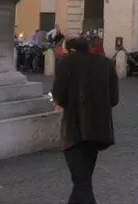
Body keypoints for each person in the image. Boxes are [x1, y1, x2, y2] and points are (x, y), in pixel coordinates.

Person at [52, 36, 119, 204]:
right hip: (98, 128)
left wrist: (62, 103)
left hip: (74, 129)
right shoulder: (106, 64)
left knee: (82, 182)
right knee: (82, 180)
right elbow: (114, 99)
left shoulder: (66, 63)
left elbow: (58, 95)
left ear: (70, 49)